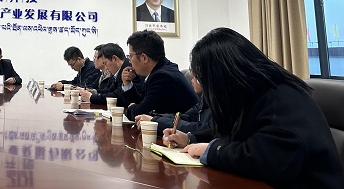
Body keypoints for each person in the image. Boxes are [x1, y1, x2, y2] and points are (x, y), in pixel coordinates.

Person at [165, 28, 344, 188]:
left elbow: (264, 160)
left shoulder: (282, 98)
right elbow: (235, 137)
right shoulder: (250, 96)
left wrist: (212, 151)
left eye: (203, 77)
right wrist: (190, 139)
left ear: (221, 75)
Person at [118, 30, 197, 119]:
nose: (129, 61)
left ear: (144, 58)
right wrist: (127, 84)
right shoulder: (160, 71)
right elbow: (142, 103)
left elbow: (140, 113)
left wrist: (131, 108)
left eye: (130, 56)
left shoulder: (163, 77)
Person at [136, 68, 211, 139]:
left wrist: (155, 121)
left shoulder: (163, 76)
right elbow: (187, 117)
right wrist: (154, 118)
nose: (191, 74)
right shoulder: (206, 97)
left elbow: (203, 130)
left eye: (196, 69)